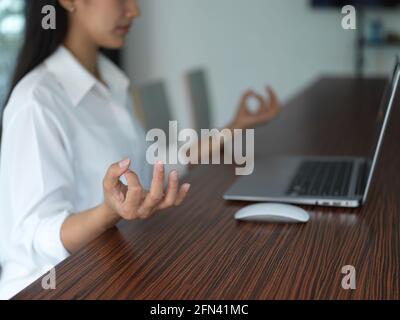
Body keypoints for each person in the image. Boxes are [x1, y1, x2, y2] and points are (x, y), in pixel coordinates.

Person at [0, 0, 280, 299]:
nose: (134, 11)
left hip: (106, 271)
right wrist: (109, 212)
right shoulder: (38, 100)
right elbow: (36, 236)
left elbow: (152, 165)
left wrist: (233, 128)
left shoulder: (108, 79)